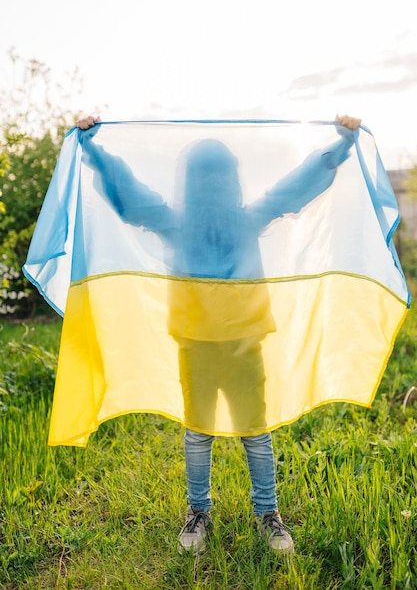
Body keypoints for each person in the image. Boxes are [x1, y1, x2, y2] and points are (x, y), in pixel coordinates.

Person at [76, 113, 361, 555]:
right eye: (204, 175)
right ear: (191, 181)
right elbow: (129, 192)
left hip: (245, 341)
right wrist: (91, 146)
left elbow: (295, 186)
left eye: (218, 175)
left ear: (230, 180)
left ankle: (269, 515)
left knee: (255, 432)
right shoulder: (175, 222)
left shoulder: (247, 220)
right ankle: (198, 513)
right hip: (195, 342)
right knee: (199, 431)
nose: (211, 184)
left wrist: (342, 143)